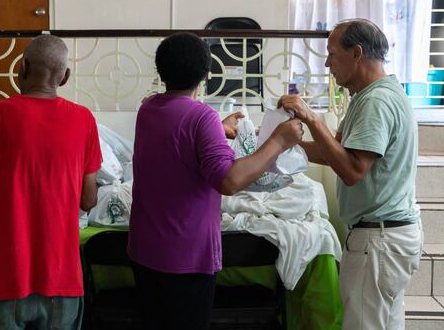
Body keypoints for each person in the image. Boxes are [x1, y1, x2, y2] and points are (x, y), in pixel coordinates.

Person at [127, 32, 303, 330]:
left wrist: (217, 131)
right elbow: (229, 182)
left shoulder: (149, 109)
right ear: (205, 75)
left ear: (160, 71)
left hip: (145, 250)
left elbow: (178, 140)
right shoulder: (201, 117)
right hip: (185, 257)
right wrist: (278, 141)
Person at [279, 19, 422, 329]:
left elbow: (352, 170)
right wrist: (280, 145)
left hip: (379, 240)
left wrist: (313, 120)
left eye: (331, 53)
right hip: (384, 236)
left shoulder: (377, 101)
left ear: (357, 53)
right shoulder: (369, 96)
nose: (327, 63)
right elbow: (338, 153)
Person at [0, 35, 101, 330]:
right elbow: (88, 200)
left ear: (21, 67)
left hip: (0, 276)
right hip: (61, 278)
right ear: (65, 76)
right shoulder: (84, 120)